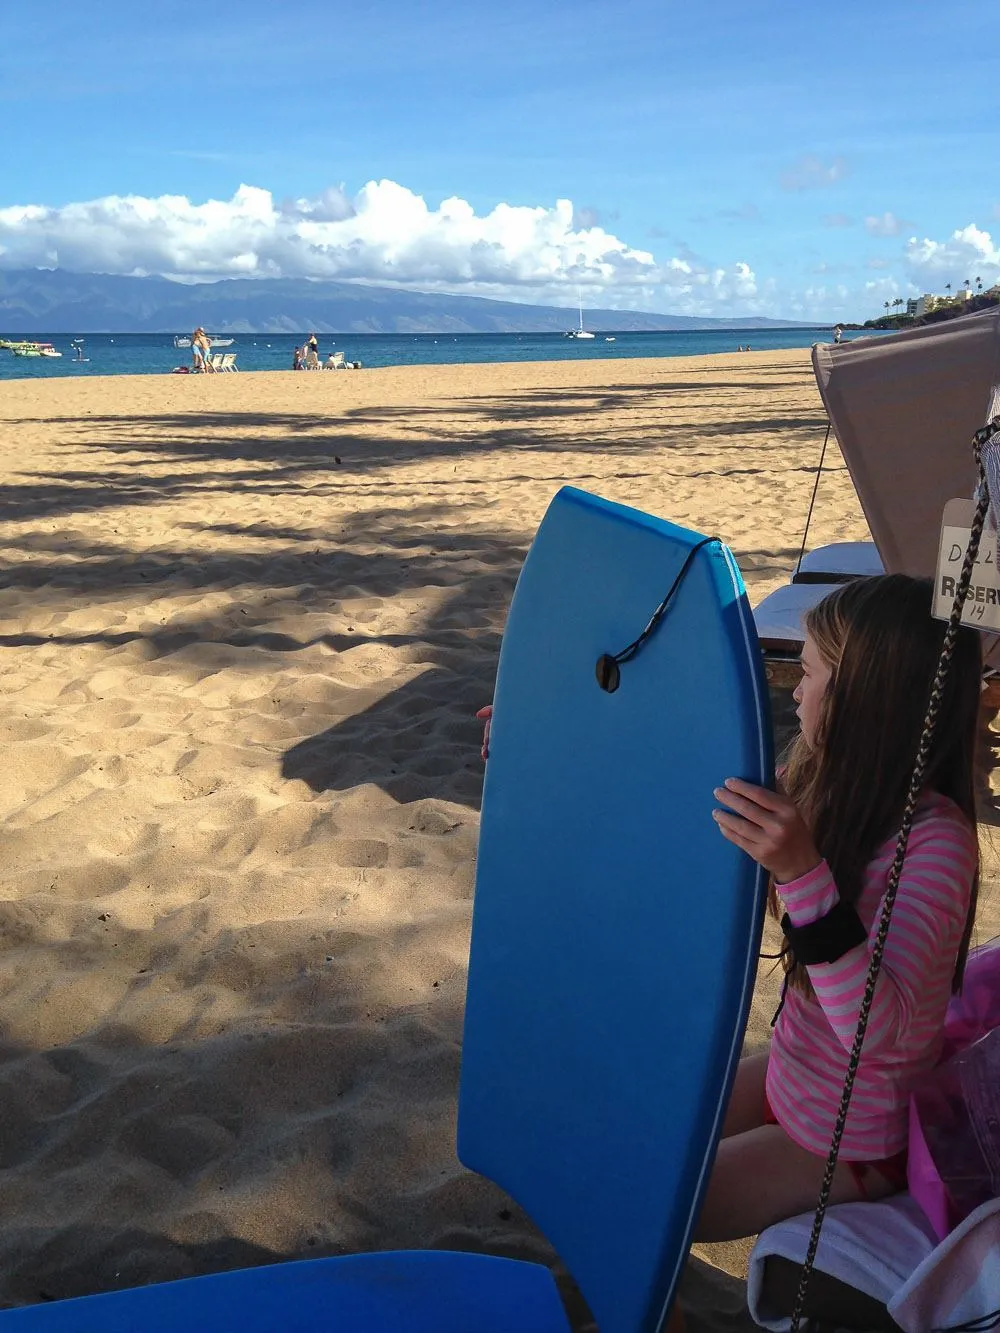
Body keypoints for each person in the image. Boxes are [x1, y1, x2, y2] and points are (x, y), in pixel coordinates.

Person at [701, 574, 980, 1242]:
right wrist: (537, 749)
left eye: (808, 672)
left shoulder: (936, 847)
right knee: (648, 1130)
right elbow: (693, 790)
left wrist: (801, 872)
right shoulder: (825, 781)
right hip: (793, 1076)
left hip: (848, 1140)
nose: (795, 691)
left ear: (866, 697)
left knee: (652, 1205)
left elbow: (876, 1035)